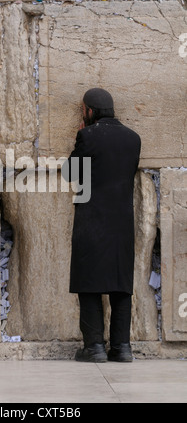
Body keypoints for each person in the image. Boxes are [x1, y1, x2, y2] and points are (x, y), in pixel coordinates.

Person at [67, 88, 141, 363]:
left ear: (88, 111)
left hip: (92, 219)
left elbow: (71, 173)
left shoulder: (88, 136)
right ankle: (122, 348)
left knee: (89, 282)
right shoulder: (134, 139)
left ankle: (94, 347)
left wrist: (79, 141)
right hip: (122, 221)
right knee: (121, 285)